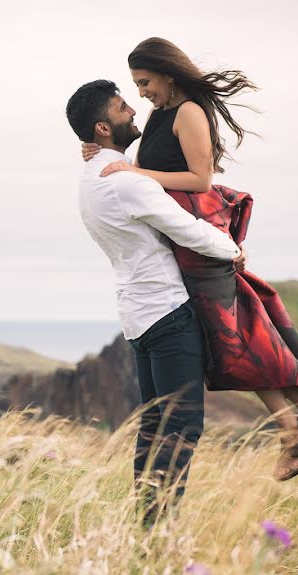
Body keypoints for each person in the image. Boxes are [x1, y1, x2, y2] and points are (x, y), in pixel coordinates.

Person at [80, 38, 298, 483]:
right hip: (182, 238)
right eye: (136, 87)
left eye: (144, 83)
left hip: (198, 230)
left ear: (167, 73)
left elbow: (199, 178)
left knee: (229, 335)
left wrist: (134, 171)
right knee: (227, 336)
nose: (142, 93)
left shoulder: (188, 112)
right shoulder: (160, 113)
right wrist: (102, 154)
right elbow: (138, 165)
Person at [66, 80, 247, 527]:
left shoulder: (92, 177)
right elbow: (183, 227)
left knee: (154, 428)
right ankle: (157, 532)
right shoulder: (125, 182)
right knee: (181, 428)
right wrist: (232, 250)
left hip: (138, 316)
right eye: (124, 107)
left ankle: (146, 526)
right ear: (104, 128)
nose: (135, 111)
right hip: (167, 312)